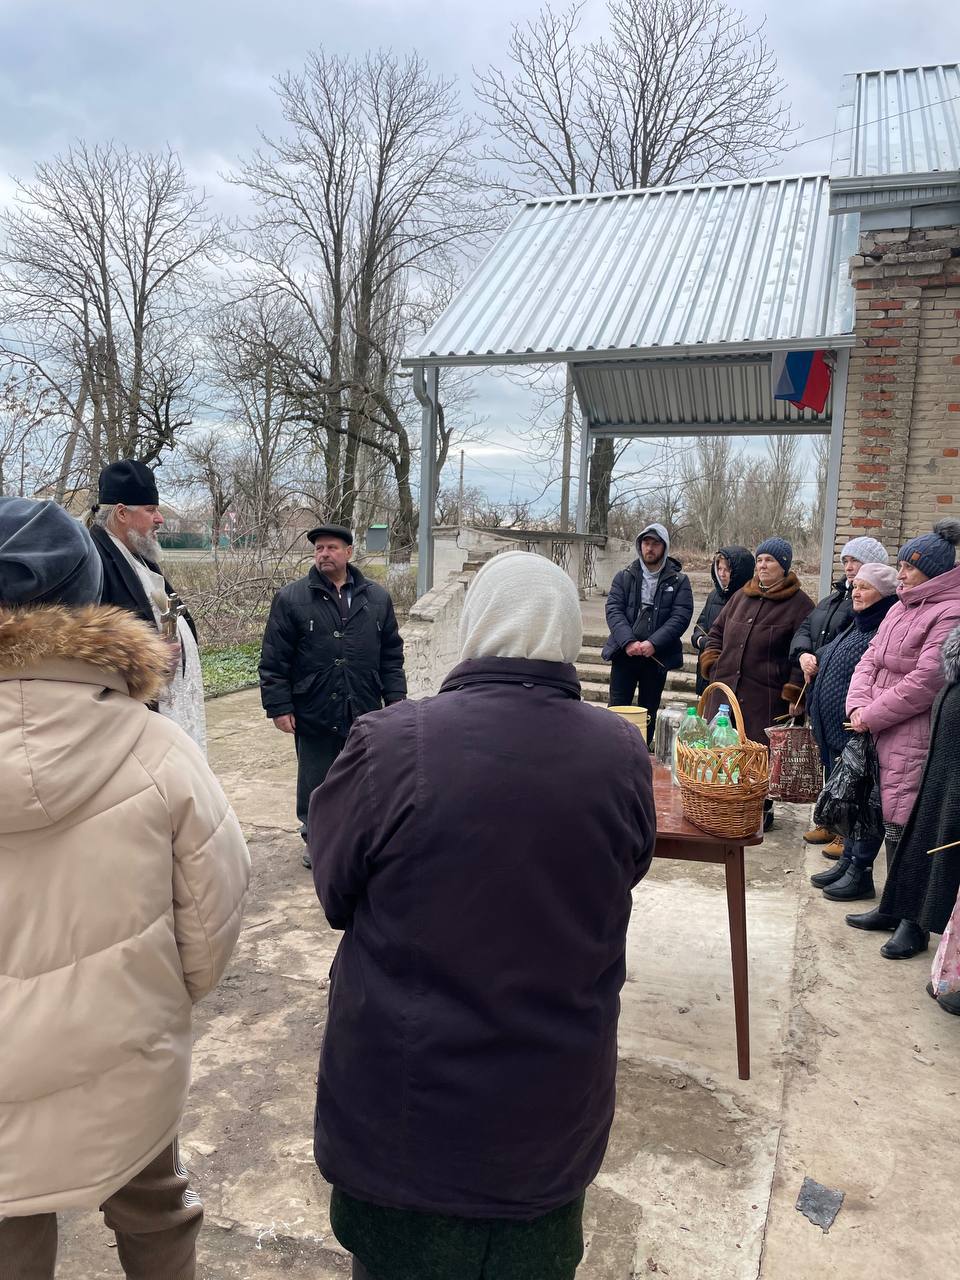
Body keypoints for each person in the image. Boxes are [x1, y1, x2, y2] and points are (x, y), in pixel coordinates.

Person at [307, 551, 656, 1280]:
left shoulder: (390, 743)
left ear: (476, 626)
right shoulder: (621, 752)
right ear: (567, 633)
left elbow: (335, 893)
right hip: (547, 1119)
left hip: (405, 1119)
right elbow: (627, 870)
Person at [0, 496, 250, 1277]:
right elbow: (215, 918)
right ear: (90, 599)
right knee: (154, 1209)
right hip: (125, 1050)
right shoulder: (159, 750)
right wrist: (159, 1000)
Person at [259, 523, 406, 870]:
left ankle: (362, 836)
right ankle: (317, 837)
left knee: (364, 774)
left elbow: (391, 655)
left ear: (349, 553)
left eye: (332, 548)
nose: (324, 554)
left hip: (364, 705)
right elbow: (274, 659)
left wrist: (396, 700)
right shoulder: (292, 599)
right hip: (314, 705)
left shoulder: (377, 598)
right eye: (319, 549)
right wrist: (279, 706)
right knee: (316, 779)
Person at [844, 519, 960, 958]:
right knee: (882, 814)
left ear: (932, 571)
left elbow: (927, 680)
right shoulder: (900, 607)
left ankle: (915, 922)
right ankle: (892, 906)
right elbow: (869, 658)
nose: (902, 574)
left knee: (909, 823)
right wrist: (857, 706)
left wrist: (870, 714)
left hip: (912, 731)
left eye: (910, 567)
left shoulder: (950, 610)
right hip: (876, 725)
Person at [89, 459, 206, 752]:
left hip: (170, 713)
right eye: (151, 510)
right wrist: (147, 655)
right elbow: (88, 641)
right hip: (130, 726)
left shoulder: (141, 557)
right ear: (121, 513)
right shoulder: (93, 561)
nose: (160, 519)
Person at [701, 537, 814, 830]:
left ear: (784, 567)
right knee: (721, 750)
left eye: (770, 561)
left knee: (758, 755)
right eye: (760, 560)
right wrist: (713, 664)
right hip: (726, 690)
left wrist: (795, 692)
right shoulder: (741, 596)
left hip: (764, 695)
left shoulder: (800, 605)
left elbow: (801, 650)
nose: (763, 566)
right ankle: (722, 803)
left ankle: (758, 809)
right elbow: (716, 631)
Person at [791, 536, 890, 854]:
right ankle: (831, 823)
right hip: (824, 700)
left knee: (848, 774)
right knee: (831, 766)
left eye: (855, 562)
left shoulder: (872, 610)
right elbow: (809, 629)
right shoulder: (835, 598)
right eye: (846, 561)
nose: (848, 568)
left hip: (850, 710)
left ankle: (844, 835)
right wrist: (807, 653)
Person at [806, 563, 899, 900]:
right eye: (855, 586)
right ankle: (848, 861)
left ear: (885, 594)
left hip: (859, 733)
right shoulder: (856, 624)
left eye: (865, 587)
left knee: (862, 805)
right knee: (848, 803)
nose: (856, 592)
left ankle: (860, 869)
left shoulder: (880, 628)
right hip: (837, 733)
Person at [602, 522, 693, 744]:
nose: (649, 548)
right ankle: (614, 749)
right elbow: (614, 610)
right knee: (617, 705)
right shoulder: (624, 576)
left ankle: (642, 751)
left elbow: (680, 617)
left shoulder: (679, 581)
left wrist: (654, 643)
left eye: (655, 544)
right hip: (625, 654)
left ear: (664, 547)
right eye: (645, 543)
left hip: (656, 657)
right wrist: (628, 642)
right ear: (639, 545)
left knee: (649, 708)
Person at [691, 546, 755, 695]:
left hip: (732, 675)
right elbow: (700, 625)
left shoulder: (749, 600)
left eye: (727, 570)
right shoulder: (714, 595)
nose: (722, 574)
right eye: (719, 568)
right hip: (708, 667)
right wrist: (700, 640)